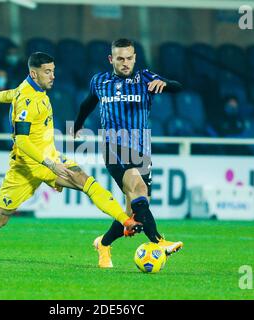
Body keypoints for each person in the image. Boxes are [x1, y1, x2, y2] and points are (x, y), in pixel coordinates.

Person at [0, 52, 141, 236]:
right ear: (34, 74)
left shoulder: (27, 87)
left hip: (50, 158)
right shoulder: (28, 100)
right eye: (47, 72)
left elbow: (12, 93)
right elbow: (22, 140)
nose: (52, 76)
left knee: (85, 181)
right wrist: (50, 164)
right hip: (26, 168)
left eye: (52, 71)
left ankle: (126, 221)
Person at [73, 38, 184, 268]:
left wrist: (165, 84)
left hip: (141, 149)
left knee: (134, 214)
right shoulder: (100, 81)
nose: (125, 63)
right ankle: (159, 241)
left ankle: (103, 244)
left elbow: (178, 86)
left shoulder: (145, 78)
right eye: (120, 58)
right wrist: (77, 125)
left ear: (135, 58)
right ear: (111, 59)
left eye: (129, 58)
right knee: (139, 189)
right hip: (113, 146)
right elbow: (87, 104)